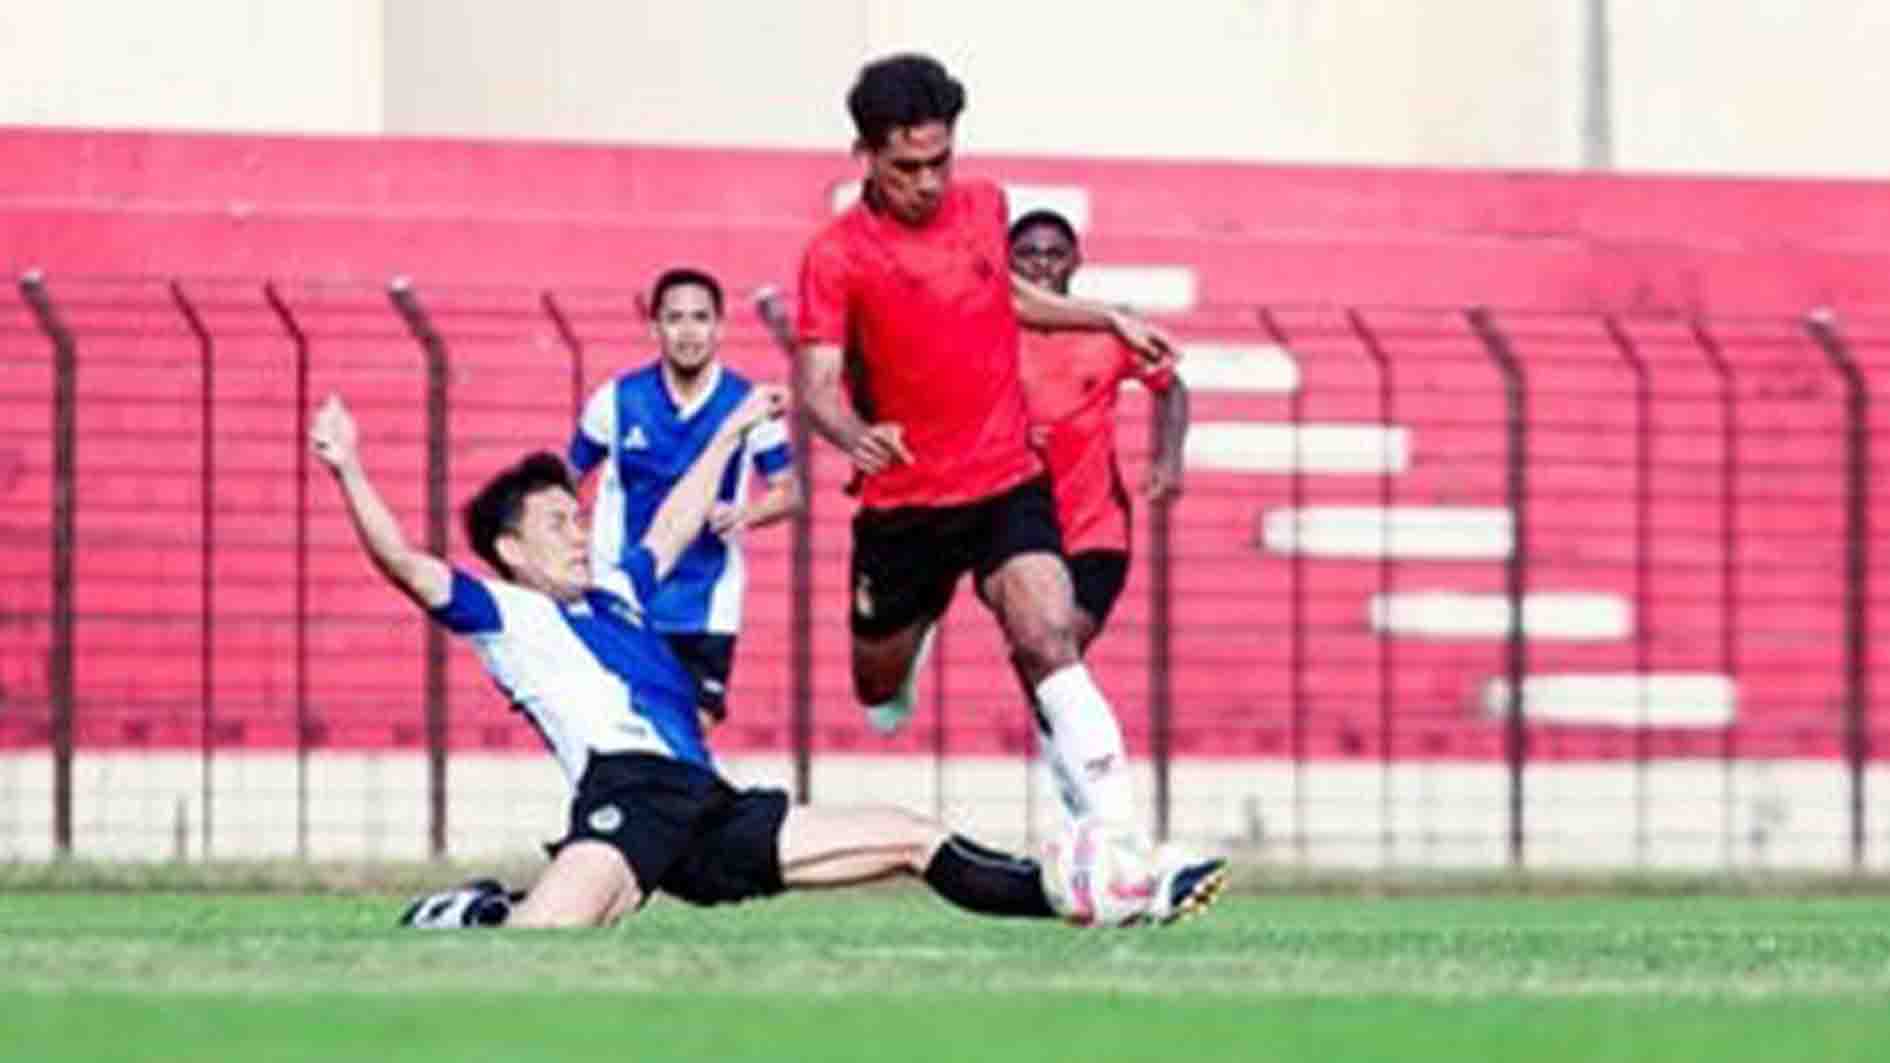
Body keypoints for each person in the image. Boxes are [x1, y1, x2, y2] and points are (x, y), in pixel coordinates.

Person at [309, 391, 1224, 928]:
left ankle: (1095, 892)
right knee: (543, 946)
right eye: (557, 522)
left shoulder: (618, 590)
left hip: (709, 806)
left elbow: (673, 519)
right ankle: (478, 915)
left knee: (912, 835)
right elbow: (404, 563)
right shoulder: (503, 611)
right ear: (510, 550)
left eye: (578, 514)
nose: (579, 530)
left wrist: (736, 426)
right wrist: (348, 465)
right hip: (628, 795)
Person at [792, 53, 1220, 911]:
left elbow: (1009, 299)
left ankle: (1123, 844)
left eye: (939, 159)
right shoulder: (836, 256)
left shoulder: (984, 206)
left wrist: (1105, 313)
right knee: (875, 684)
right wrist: (852, 432)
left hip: (1001, 481)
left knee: (1048, 634)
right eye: (907, 166)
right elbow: (815, 385)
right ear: (866, 154)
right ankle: (904, 655)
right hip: (905, 501)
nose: (927, 181)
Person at [568, 268, 800, 728]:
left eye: (700, 318)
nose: (688, 332)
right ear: (655, 328)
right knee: (624, 726)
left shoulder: (749, 404)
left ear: (720, 327)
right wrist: (570, 541)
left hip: (706, 603)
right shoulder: (616, 401)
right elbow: (567, 477)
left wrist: (747, 514)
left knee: (692, 728)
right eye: (675, 319)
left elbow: (789, 491)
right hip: (626, 593)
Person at [1008, 208, 1190, 650]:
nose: (1042, 264)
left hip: (1095, 527)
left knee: (1059, 645)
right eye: (1028, 254)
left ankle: (1053, 719)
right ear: (1008, 263)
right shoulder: (990, 332)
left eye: (1054, 254)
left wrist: (1168, 459)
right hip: (1016, 525)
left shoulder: (1109, 333)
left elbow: (1172, 388)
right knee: (1039, 651)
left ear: (1075, 262)